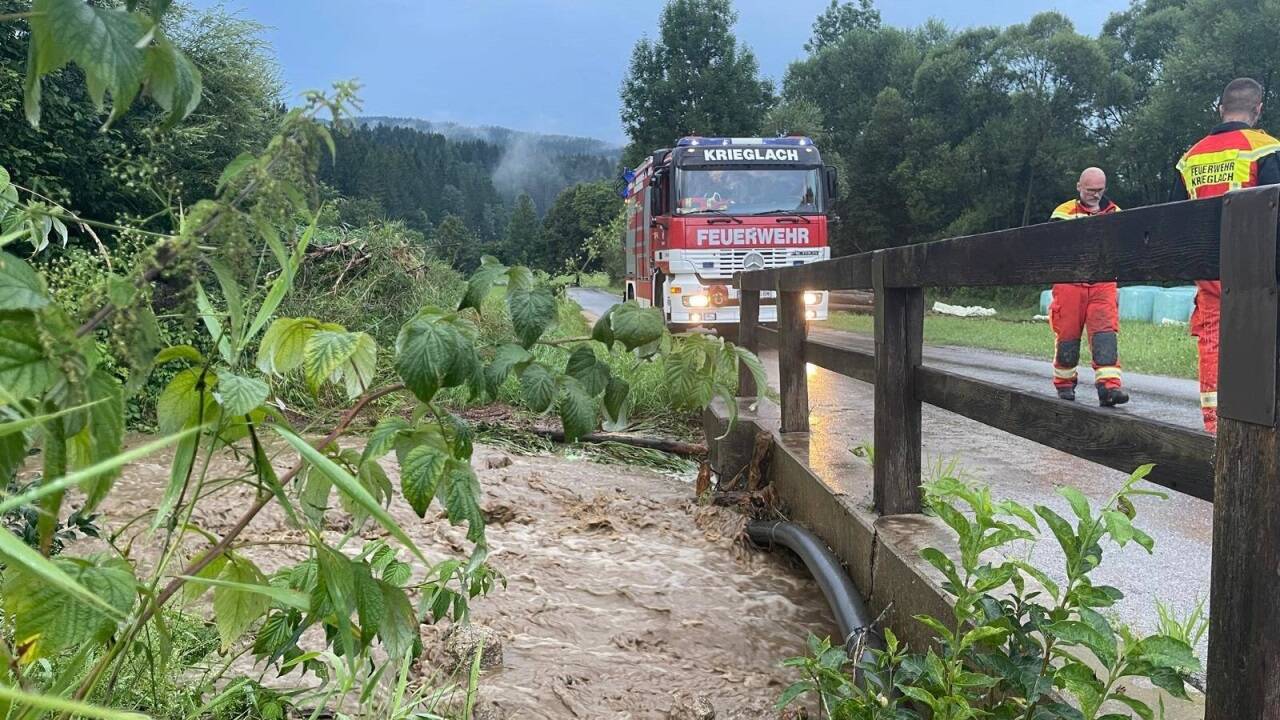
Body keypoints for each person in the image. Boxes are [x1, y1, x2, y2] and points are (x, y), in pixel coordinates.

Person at [1173, 77, 1280, 433]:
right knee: (1264, 346)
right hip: (1257, 273)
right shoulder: (1266, 149)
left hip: (1208, 270)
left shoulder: (1190, 157)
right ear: (1258, 108)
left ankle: (1215, 429)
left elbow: (1173, 216)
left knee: (1214, 345)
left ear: (1221, 109)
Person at [1047, 167, 1128, 407]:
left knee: (1105, 335)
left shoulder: (1116, 213)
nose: (1095, 195)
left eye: (1099, 191)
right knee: (1068, 336)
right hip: (1069, 282)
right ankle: (1064, 384)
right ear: (1079, 187)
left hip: (1103, 282)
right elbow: (1051, 248)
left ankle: (1109, 388)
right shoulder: (1063, 213)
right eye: (1090, 190)